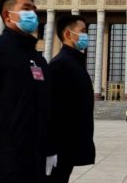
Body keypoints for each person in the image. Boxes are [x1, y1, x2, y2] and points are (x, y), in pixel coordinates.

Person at [0, 0, 57, 183]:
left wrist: (49, 149)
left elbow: (46, 109)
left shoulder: (39, 60)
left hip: (35, 161)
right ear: (7, 15)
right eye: (26, 9)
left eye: (34, 9)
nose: (32, 14)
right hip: (3, 162)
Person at [47, 16, 95, 183]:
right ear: (68, 33)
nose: (86, 35)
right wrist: (50, 149)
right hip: (59, 148)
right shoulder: (60, 65)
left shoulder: (74, 63)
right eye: (82, 31)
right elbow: (50, 110)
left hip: (69, 145)